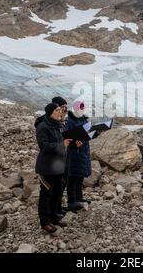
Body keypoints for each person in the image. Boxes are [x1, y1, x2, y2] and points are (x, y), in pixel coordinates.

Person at [34, 103, 72, 234]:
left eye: (60, 110)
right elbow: (44, 146)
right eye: (57, 110)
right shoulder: (42, 127)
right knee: (46, 194)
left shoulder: (58, 125)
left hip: (58, 165)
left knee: (57, 192)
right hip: (46, 167)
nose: (60, 112)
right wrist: (62, 144)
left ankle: (54, 217)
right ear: (50, 112)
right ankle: (45, 222)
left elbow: (64, 142)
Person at [66, 100, 92, 213]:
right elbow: (67, 137)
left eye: (83, 108)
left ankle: (79, 197)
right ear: (75, 109)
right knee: (72, 177)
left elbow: (86, 133)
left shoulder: (84, 119)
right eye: (79, 109)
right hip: (74, 152)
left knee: (80, 176)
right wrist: (73, 144)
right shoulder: (70, 121)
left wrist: (94, 133)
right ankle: (71, 202)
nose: (81, 110)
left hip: (83, 151)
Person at [52, 96, 69, 217]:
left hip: (63, 157)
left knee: (63, 184)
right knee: (56, 186)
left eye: (65, 108)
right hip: (54, 159)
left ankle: (57, 207)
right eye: (62, 107)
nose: (64, 110)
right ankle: (53, 212)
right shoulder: (49, 122)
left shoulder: (61, 121)